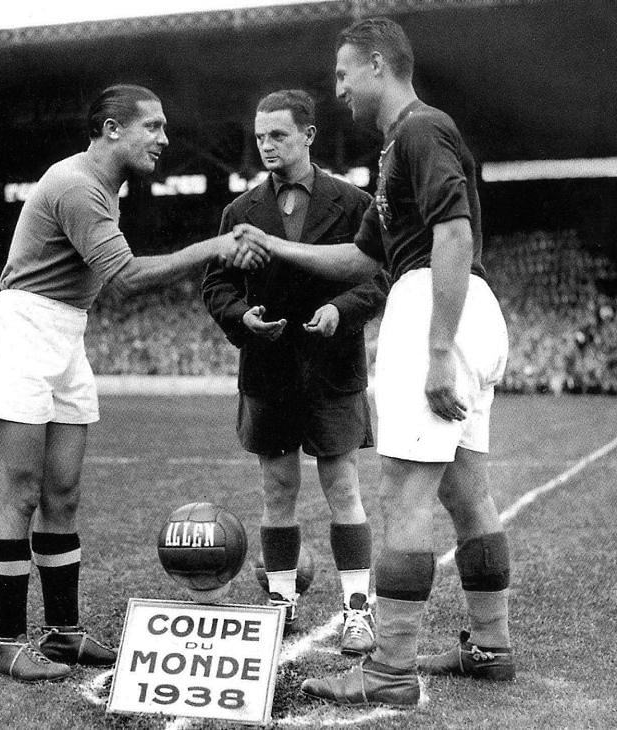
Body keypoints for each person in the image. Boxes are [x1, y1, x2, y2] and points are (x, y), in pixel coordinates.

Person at [237, 18, 513, 708]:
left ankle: (388, 671)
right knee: (465, 491)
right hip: (461, 302)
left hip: (436, 305)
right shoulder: (396, 151)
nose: (337, 90)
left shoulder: (421, 130)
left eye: (343, 74)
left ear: (379, 67)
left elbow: (454, 231)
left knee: (401, 495)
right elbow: (361, 259)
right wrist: (276, 246)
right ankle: (490, 646)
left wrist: (438, 349)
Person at [0, 84, 267, 683]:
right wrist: (215, 248)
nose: (163, 139)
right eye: (151, 127)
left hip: (64, 331)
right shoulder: (78, 185)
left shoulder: (104, 186)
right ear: (110, 129)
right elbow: (125, 278)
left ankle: (63, 633)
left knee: (63, 495)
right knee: (20, 492)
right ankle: (7, 643)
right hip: (22, 328)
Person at [201, 89, 388, 655]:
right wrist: (242, 317)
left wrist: (341, 311)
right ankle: (279, 603)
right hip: (269, 370)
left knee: (342, 486)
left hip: (333, 369)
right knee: (277, 488)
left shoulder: (353, 202)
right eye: (260, 137)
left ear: (308, 135)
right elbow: (216, 286)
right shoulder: (239, 213)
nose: (267, 146)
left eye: (278, 135)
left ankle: (359, 609)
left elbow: (377, 280)